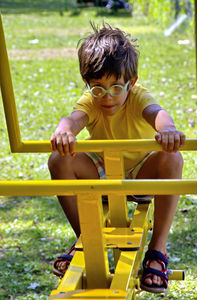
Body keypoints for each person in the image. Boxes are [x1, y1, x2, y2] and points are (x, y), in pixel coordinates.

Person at [48, 22, 185, 294]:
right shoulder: (92, 100)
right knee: (58, 159)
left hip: (141, 170)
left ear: (131, 82)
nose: (107, 97)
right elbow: (73, 120)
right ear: (88, 84)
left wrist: (167, 129)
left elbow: (157, 113)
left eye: (115, 87)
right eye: (97, 87)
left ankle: (158, 249)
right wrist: (64, 131)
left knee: (173, 157)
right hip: (100, 170)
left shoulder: (137, 97)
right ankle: (85, 239)